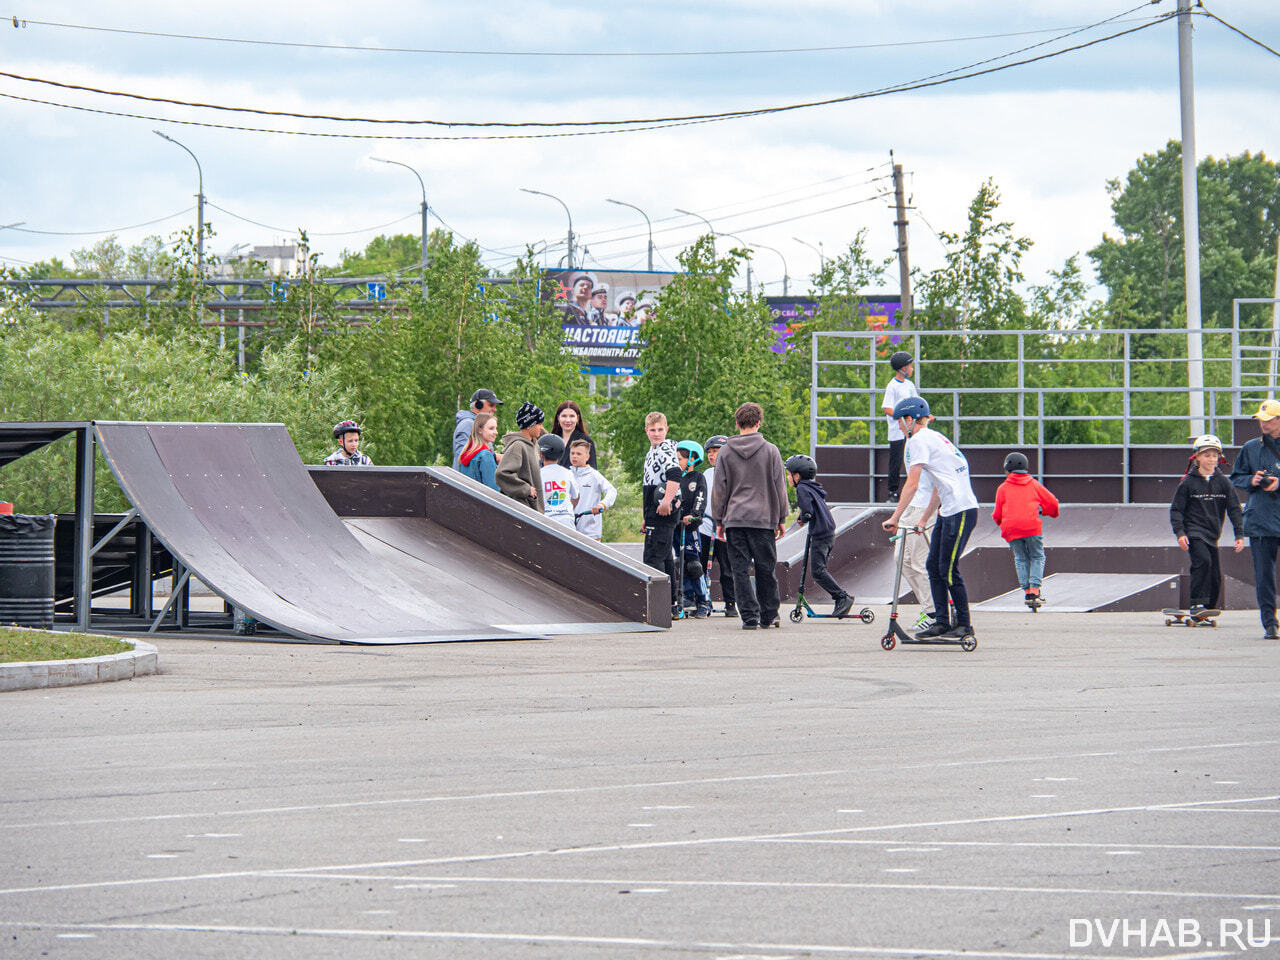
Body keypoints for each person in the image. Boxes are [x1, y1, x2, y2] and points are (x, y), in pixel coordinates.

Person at [881, 396, 980, 641]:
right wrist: (924, 518)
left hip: (961, 510)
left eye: (900, 423)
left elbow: (912, 485)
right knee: (932, 566)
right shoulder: (936, 438)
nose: (900, 428)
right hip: (947, 510)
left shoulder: (918, 441)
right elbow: (938, 485)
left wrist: (895, 516)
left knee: (947, 569)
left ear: (910, 419)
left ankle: (964, 625)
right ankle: (942, 622)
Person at [712, 402, 789, 630]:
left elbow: (720, 488)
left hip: (735, 519)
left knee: (740, 569)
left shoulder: (725, 451)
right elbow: (779, 486)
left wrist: (719, 520)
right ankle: (769, 615)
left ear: (737, 424)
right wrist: (782, 517)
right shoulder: (770, 450)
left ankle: (749, 617)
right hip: (764, 519)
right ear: (758, 423)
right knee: (766, 567)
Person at [1171, 434, 1244, 616]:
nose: (1211, 459)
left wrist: (1239, 535)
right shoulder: (1188, 483)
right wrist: (1180, 533)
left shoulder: (1224, 483)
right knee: (1202, 561)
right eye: (1207, 455)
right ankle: (1197, 603)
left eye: (1214, 455)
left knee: (1214, 573)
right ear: (1197, 457)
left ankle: (1209, 606)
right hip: (1194, 532)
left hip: (1213, 533)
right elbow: (1177, 510)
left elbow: (1234, 509)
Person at [1229, 400, 1280, 639]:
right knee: (1264, 576)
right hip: (1261, 519)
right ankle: (1269, 623)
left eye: (1268, 419)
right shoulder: (1250, 448)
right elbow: (1236, 477)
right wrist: (1252, 480)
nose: (1263, 423)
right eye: (1261, 419)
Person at [786, 453, 854, 619]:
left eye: (788, 474)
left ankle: (842, 597)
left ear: (797, 476)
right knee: (819, 570)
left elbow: (808, 511)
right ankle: (841, 597)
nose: (787, 478)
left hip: (820, 534)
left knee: (818, 572)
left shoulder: (802, 488)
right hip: (827, 532)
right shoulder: (812, 487)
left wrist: (803, 518)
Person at [993, 452, 1061, 607]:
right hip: (1031, 527)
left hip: (1012, 529)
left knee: (1021, 558)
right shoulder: (1034, 484)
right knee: (1037, 556)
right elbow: (1053, 503)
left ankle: (1027, 592)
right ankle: (1035, 590)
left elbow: (997, 514)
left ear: (1007, 470)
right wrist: (1048, 512)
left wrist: (1004, 525)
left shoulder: (1002, 488)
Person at [642, 411, 683, 617]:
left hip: (663, 509)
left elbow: (675, 474)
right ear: (646, 431)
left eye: (660, 430)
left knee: (653, 557)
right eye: (652, 430)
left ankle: (658, 607)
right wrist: (646, 516)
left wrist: (667, 500)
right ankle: (671, 604)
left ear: (666, 430)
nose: (656, 434)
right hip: (653, 510)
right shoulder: (652, 451)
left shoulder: (665, 448)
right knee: (666, 557)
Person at [701, 434, 736, 617]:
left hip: (725, 529)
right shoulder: (706, 474)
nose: (712, 455)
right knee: (700, 566)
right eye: (710, 452)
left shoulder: (733, 473)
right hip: (706, 527)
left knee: (727, 569)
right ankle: (701, 600)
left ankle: (731, 604)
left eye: (716, 451)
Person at [898, 470, 938, 629]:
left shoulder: (922, 446)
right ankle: (930, 608)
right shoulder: (907, 445)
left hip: (922, 508)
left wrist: (895, 516)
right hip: (910, 507)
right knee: (902, 560)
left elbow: (914, 484)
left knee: (920, 563)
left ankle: (934, 614)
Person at [676, 440, 711, 618]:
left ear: (692, 459)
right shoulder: (673, 476)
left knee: (694, 565)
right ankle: (685, 598)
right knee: (678, 564)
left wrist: (694, 514)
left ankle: (703, 600)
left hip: (690, 527)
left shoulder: (697, 478)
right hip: (675, 526)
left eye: (680, 458)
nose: (677, 461)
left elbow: (700, 497)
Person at [881, 351, 918, 502]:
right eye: (910, 366)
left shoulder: (910, 385)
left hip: (912, 430)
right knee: (896, 461)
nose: (912, 369)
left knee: (914, 458)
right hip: (897, 431)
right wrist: (902, 416)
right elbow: (886, 408)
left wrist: (926, 415)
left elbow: (917, 403)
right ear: (903, 368)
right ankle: (893, 492)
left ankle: (917, 487)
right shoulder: (892, 386)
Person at [495, 401, 545, 512]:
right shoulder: (518, 446)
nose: (541, 427)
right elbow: (501, 473)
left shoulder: (534, 445)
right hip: (522, 509)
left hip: (534, 509)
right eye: (539, 424)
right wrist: (526, 489)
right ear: (529, 425)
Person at [570, 439, 617, 540]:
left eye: (578, 454)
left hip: (590, 532)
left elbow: (612, 491)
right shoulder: (566, 475)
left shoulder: (594, 475)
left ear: (587, 457)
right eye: (572, 453)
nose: (574, 456)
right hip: (569, 529)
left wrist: (602, 505)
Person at [452, 389, 502, 470]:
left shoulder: (481, 424)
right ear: (478, 405)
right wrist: (494, 457)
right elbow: (462, 459)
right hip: (465, 481)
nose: (495, 409)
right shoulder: (467, 425)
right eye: (491, 405)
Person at [538, 434, 579, 528]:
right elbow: (576, 496)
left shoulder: (538, 474)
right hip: (567, 522)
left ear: (541, 454)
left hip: (546, 521)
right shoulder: (568, 473)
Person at [458, 412, 500, 491]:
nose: (496, 432)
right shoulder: (485, 455)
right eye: (491, 428)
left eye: (496, 428)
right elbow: (493, 491)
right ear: (480, 430)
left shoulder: (464, 454)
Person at [550, 401, 597, 468]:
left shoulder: (586, 441)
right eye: (564, 416)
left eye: (572, 416)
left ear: (577, 418)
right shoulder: (552, 440)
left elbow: (592, 471)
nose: (568, 420)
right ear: (558, 418)